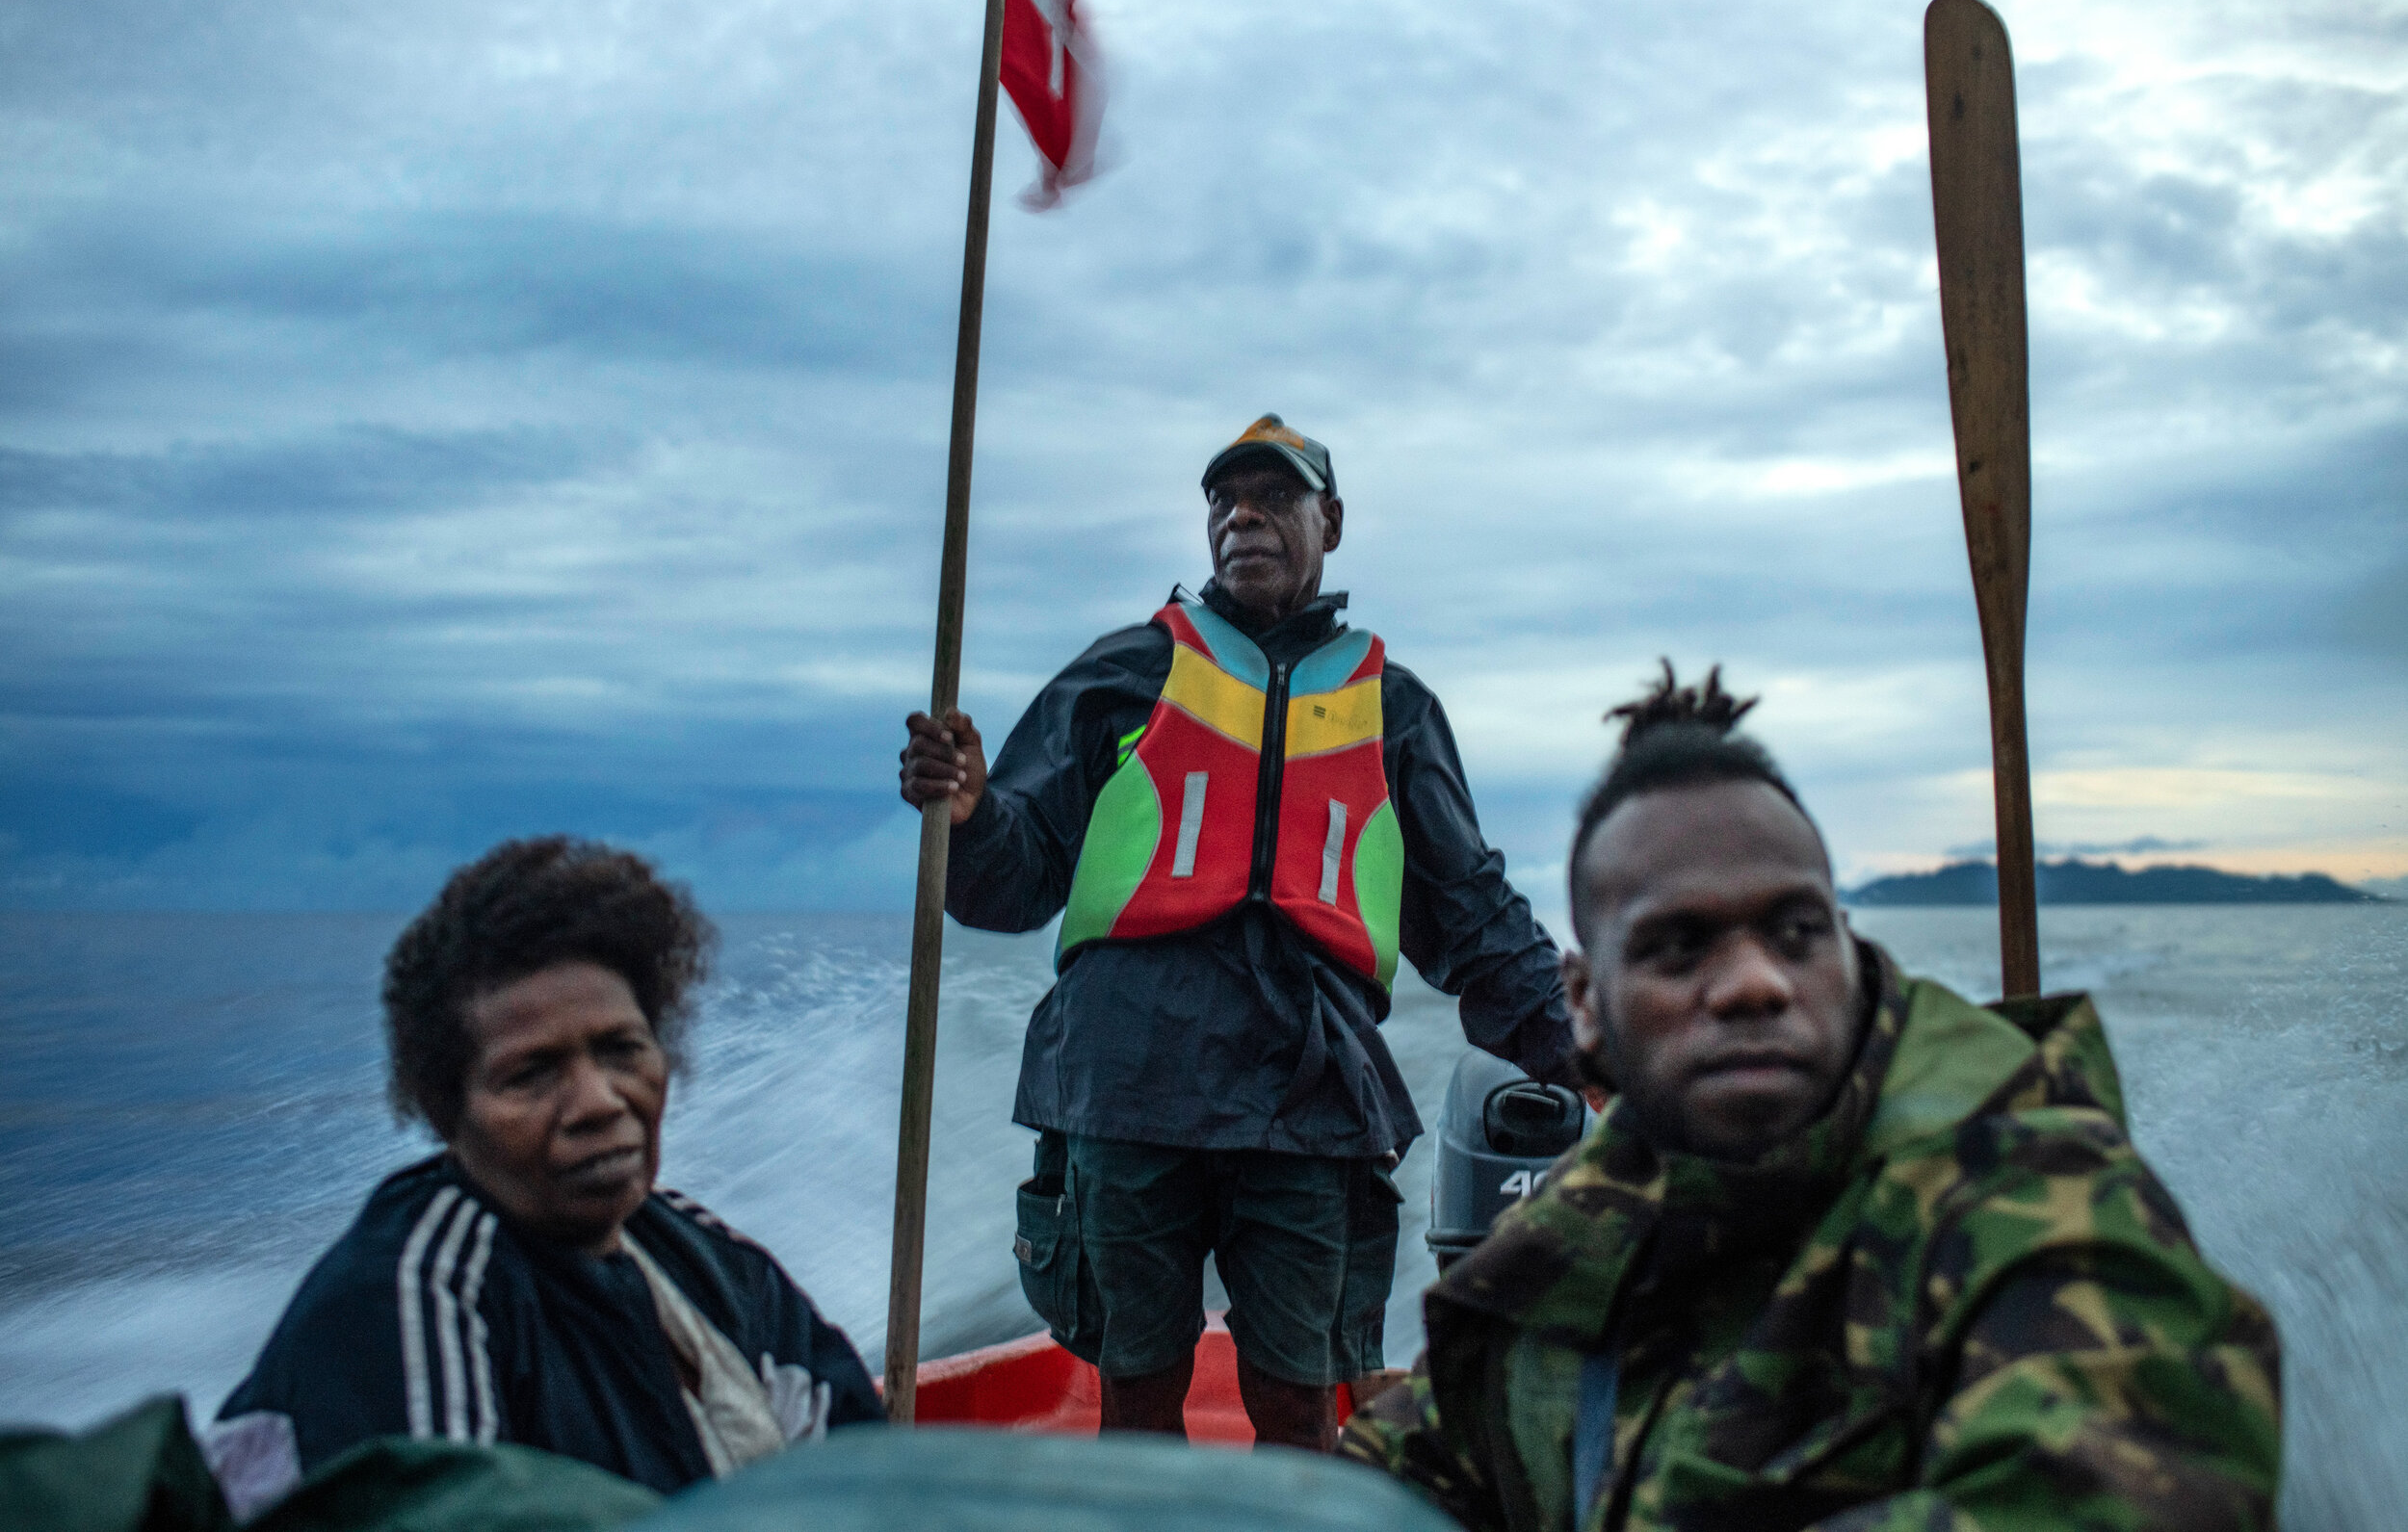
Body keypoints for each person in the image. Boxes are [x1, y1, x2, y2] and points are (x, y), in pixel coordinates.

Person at [1338, 666, 2283, 1530]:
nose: (1755, 981)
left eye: (1794, 931)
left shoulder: (2023, 1182)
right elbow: (1402, 1473)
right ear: (1582, 1002)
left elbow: (2128, 1484)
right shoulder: (1578, 1238)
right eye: (1679, 944)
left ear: (1845, 943)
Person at [898, 414, 1581, 1451]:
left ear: (1331, 521)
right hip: (1125, 1079)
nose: (1243, 515)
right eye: (1224, 498)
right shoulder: (1123, 672)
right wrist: (969, 813)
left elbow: (1474, 918)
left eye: (1274, 495)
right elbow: (1011, 874)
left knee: (1301, 1403)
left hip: (1309, 1097)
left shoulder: (1392, 711)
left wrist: (1591, 1052)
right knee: (1134, 1393)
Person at [206, 838, 881, 1517]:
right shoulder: (411, 1298)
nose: (597, 1101)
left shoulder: (702, 1259)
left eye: (622, 1050)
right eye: (531, 1074)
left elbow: (867, 1476)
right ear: (446, 1111)